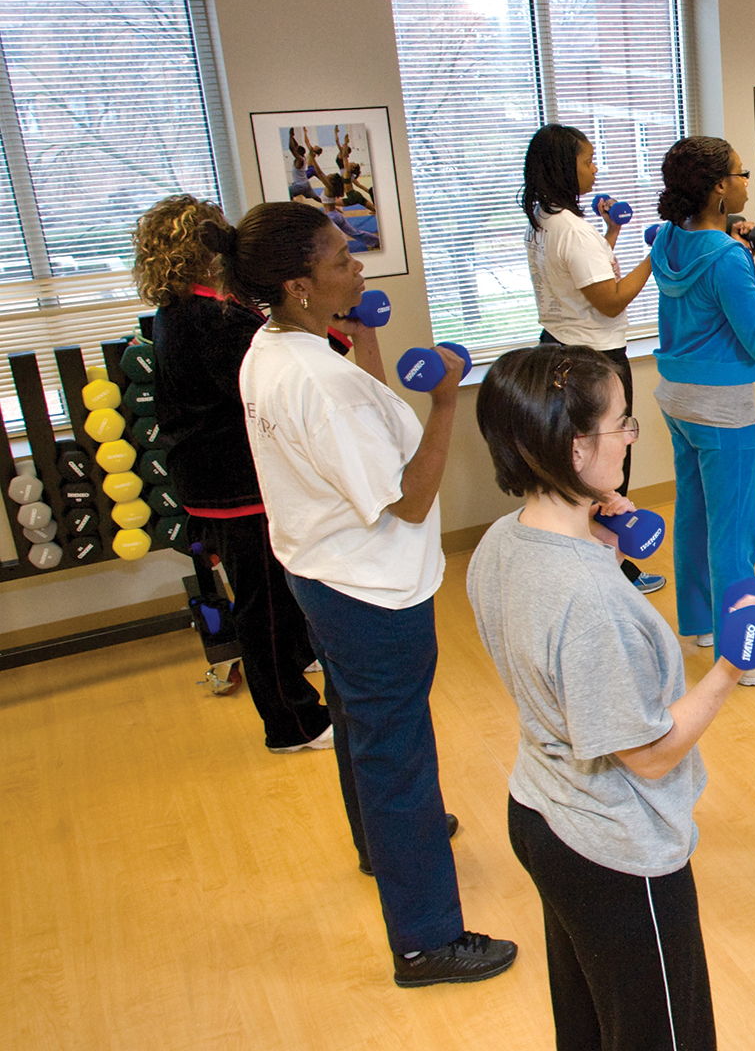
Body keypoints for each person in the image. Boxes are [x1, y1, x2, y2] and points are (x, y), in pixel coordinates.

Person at [221, 200, 516, 987]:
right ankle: (426, 942)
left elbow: (365, 422)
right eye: (340, 262)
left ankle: (378, 843)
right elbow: (410, 498)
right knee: (398, 755)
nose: (358, 267)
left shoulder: (273, 348)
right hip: (370, 590)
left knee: (358, 722)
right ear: (297, 285)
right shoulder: (319, 381)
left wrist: (370, 333)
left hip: (320, 571)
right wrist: (449, 402)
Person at [469, 345, 755, 1049]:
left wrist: (601, 542)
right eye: (622, 425)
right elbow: (651, 755)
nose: (631, 438)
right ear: (575, 449)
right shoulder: (591, 602)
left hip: (542, 808)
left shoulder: (499, 544)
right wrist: (730, 666)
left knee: (593, 1024)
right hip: (613, 846)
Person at [139, 194, 333, 754]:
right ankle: (291, 723)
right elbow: (267, 385)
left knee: (277, 594)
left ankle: (298, 662)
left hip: (216, 481)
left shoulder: (181, 312)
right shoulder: (209, 319)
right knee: (264, 605)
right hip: (234, 486)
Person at [650, 135, 755, 684]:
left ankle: (701, 622)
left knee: (695, 513)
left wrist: (737, 245)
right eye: (742, 173)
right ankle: (746, 653)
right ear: (720, 187)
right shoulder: (726, 258)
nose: (749, 180)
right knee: (736, 529)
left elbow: (709, 302)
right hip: (722, 410)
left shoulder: (670, 242)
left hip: (677, 399)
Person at [521, 123, 664, 594]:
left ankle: (595, 559)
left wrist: (613, 231)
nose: (595, 167)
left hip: (557, 344)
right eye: (587, 160)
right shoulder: (570, 229)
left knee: (575, 464)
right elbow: (610, 300)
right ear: (566, 167)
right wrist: (657, 255)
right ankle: (617, 568)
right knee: (607, 467)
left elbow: (583, 280)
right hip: (594, 357)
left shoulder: (543, 219)